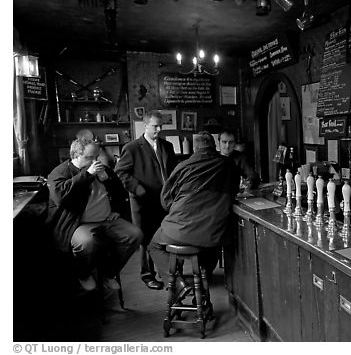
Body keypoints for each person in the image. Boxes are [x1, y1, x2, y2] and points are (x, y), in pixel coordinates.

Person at [47, 138, 143, 291]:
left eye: (96, 157)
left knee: (135, 235)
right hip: (79, 223)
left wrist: (117, 209)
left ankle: (108, 273)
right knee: (86, 243)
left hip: (107, 219)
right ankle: (84, 274)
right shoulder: (60, 172)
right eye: (89, 157)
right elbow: (60, 198)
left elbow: (120, 191)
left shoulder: (103, 170)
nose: (95, 161)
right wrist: (87, 174)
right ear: (76, 155)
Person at [149, 131, 240, 291]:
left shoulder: (184, 166)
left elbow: (165, 201)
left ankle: (177, 284)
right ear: (215, 146)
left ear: (195, 148)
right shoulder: (228, 165)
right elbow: (233, 192)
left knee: (154, 245)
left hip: (182, 228)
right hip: (215, 231)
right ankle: (205, 275)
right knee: (209, 241)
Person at [115, 110, 177, 290]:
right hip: (142, 201)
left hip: (164, 201)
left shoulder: (167, 146)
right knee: (146, 238)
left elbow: (172, 172)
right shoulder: (132, 147)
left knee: (163, 236)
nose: (159, 129)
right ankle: (147, 275)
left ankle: (167, 274)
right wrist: (139, 190)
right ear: (145, 125)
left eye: (161, 126)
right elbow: (121, 173)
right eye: (155, 126)